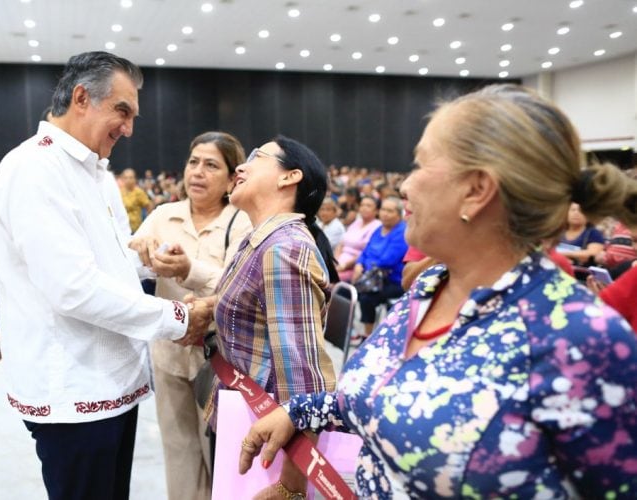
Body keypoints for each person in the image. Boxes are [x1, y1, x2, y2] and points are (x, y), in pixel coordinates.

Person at [238, 84, 637, 498]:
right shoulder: (429, 287)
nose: (405, 186)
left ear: (477, 190)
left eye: (421, 165)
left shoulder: (580, 338)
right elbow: (380, 397)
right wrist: (298, 411)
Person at [0, 51, 213, 500]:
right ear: (81, 98)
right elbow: (73, 289)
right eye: (122, 111)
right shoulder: (35, 169)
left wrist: (147, 261)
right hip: (73, 388)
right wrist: (178, 319)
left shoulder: (92, 171)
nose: (128, 128)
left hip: (111, 379)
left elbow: (103, 261)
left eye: (133, 116)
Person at [211, 136, 338, 499]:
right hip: (249, 423)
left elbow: (305, 381)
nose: (241, 166)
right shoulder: (262, 240)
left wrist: (290, 487)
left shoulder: (285, 249)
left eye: (257, 157)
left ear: (289, 176)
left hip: (268, 442)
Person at [129, 131, 252, 500]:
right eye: (193, 162)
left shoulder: (243, 222)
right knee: (179, 454)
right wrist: (139, 250)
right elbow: (129, 265)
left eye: (211, 165)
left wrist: (189, 270)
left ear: (232, 179)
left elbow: (241, 285)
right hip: (169, 356)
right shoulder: (163, 216)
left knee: (223, 459)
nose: (197, 172)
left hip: (222, 362)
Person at [350, 196, 409, 337]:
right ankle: (356, 331)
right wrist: (359, 264)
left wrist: (365, 266)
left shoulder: (402, 232)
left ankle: (367, 335)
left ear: (399, 214)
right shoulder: (379, 229)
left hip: (393, 280)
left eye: (390, 211)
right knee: (349, 290)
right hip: (373, 275)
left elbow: (387, 260)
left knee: (366, 297)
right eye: (383, 209)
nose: (385, 214)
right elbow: (366, 250)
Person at [335, 195, 381, 283]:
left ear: (376, 211)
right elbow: (341, 244)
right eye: (362, 205)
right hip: (339, 263)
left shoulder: (377, 226)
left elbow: (365, 252)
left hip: (355, 267)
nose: (364, 208)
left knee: (329, 280)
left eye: (368, 206)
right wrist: (336, 261)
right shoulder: (356, 222)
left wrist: (344, 266)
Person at [558, 202, 605, 266]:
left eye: (581, 211)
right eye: (573, 210)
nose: (576, 213)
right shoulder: (558, 231)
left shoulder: (593, 233)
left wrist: (562, 254)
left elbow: (593, 253)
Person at [120, 167, 152, 232]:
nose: (128, 180)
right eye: (126, 178)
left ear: (135, 179)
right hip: (122, 228)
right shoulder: (119, 192)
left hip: (136, 229)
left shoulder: (139, 192)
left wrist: (148, 223)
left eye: (131, 177)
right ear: (122, 179)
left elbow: (149, 207)